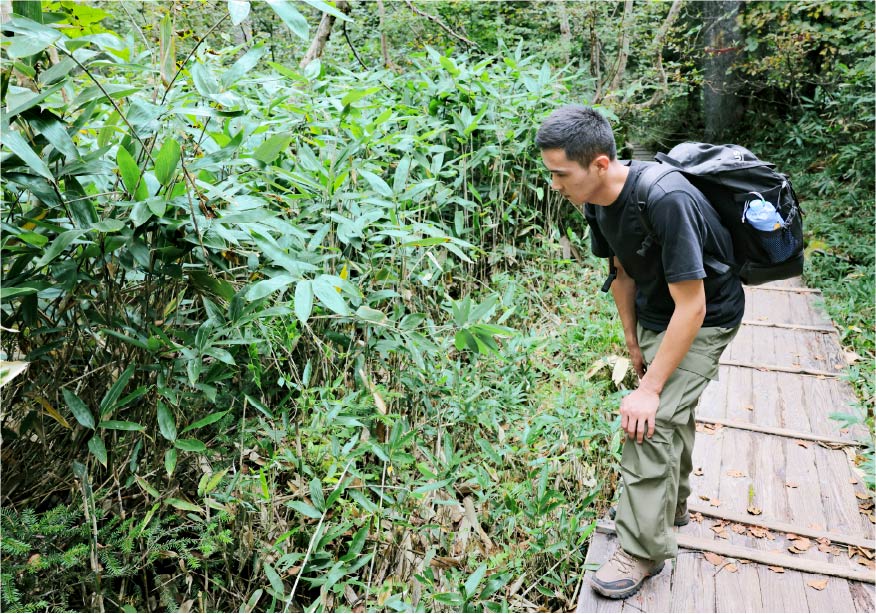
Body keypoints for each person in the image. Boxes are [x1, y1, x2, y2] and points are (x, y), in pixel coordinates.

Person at [536, 105, 745, 599]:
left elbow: (692, 308)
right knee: (671, 409)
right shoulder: (594, 200)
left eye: (560, 174)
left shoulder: (664, 198)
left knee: (647, 421)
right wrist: (633, 344)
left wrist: (649, 389)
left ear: (601, 164)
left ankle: (642, 549)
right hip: (656, 310)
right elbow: (622, 271)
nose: (554, 185)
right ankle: (670, 504)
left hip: (706, 315)